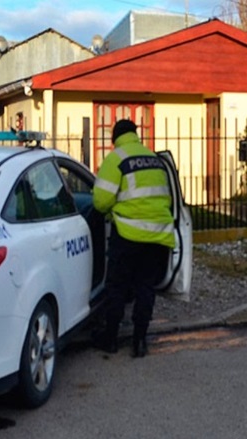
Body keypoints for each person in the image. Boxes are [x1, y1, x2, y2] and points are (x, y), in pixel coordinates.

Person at [91, 119, 175, 358]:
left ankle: (111, 339)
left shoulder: (116, 159)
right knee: (145, 287)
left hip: (128, 234)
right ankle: (140, 341)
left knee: (117, 286)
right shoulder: (154, 160)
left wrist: (111, 211)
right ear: (136, 135)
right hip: (157, 235)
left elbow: (100, 201)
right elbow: (167, 199)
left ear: (114, 138)